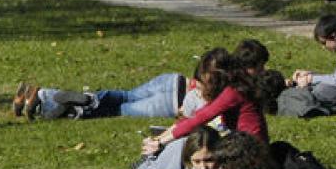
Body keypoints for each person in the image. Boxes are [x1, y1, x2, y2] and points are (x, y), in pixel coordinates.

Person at [111, 51, 268, 169]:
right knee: (188, 141)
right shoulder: (233, 89)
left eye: (208, 81)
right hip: (240, 146)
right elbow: (192, 118)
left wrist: (161, 142)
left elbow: (199, 118)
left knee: (185, 143)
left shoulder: (233, 93)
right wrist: (160, 138)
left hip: (248, 154)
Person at [13, 47, 229, 121]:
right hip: (171, 103)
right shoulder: (226, 92)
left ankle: (42, 95)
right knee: (119, 109)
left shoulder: (211, 67)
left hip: (173, 80)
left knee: (125, 95)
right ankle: (71, 109)